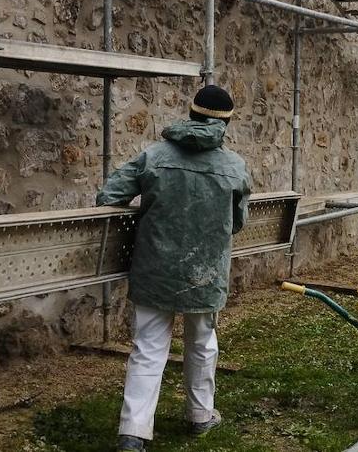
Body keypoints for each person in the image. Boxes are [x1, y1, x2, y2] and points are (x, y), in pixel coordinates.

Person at [96, 85, 253, 451]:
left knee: (149, 347)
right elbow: (238, 222)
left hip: (155, 269)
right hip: (206, 272)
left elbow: (109, 197)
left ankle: (133, 434)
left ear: (190, 112)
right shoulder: (234, 167)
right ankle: (200, 416)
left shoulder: (154, 155)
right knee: (202, 343)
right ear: (227, 122)